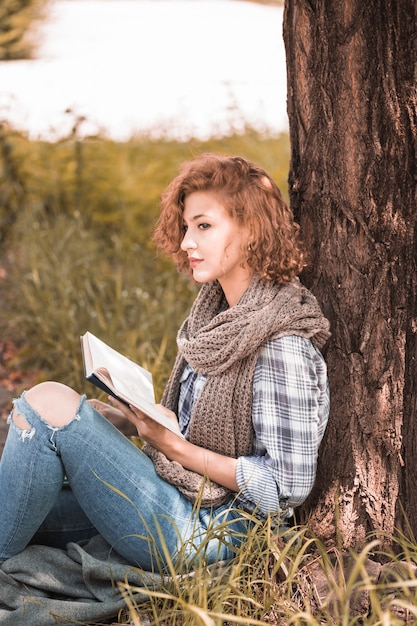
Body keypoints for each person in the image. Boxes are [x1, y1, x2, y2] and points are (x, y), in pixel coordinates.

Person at [0, 153, 330, 573]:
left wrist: (175, 446)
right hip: (180, 492)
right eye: (188, 226)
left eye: (204, 226)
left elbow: (288, 486)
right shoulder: (213, 317)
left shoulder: (281, 343)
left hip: (215, 530)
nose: (187, 242)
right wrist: (132, 416)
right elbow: (198, 429)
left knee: (47, 404)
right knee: (21, 495)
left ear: (251, 230)